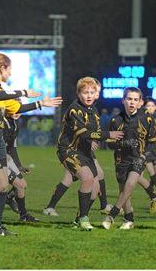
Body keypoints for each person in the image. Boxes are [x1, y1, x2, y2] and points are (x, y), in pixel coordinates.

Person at [0, 53, 62, 236]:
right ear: (2, 68)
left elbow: (17, 108)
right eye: (10, 69)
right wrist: (23, 92)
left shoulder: (0, 88)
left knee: (4, 185)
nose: (11, 73)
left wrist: (41, 103)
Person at [55, 77, 123, 230]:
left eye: (92, 92)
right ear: (79, 93)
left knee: (94, 190)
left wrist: (116, 141)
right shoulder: (74, 109)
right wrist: (108, 135)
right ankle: (84, 219)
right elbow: (84, 133)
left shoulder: (94, 110)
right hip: (68, 150)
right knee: (86, 178)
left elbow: (96, 132)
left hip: (84, 152)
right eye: (85, 92)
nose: (89, 95)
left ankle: (78, 220)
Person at [43, 78, 113, 217]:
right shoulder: (77, 109)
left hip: (83, 148)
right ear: (79, 93)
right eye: (89, 91)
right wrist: (97, 137)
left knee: (89, 178)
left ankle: (84, 212)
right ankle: (96, 209)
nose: (93, 94)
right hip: (73, 149)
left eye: (95, 92)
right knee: (89, 177)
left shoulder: (93, 109)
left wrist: (96, 138)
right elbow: (82, 131)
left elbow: (93, 130)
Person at [102, 87, 156, 230]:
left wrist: (144, 156)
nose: (132, 102)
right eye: (129, 99)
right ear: (123, 100)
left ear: (140, 102)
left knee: (130, 183)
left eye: (135, 100)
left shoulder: (147, 119)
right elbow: (109, 145)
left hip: (139, 158)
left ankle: (111, 216)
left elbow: (152, 143)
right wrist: (122, 143)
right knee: (124, 192)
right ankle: (129, 219)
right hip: (121, 160)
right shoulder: (115, 120)